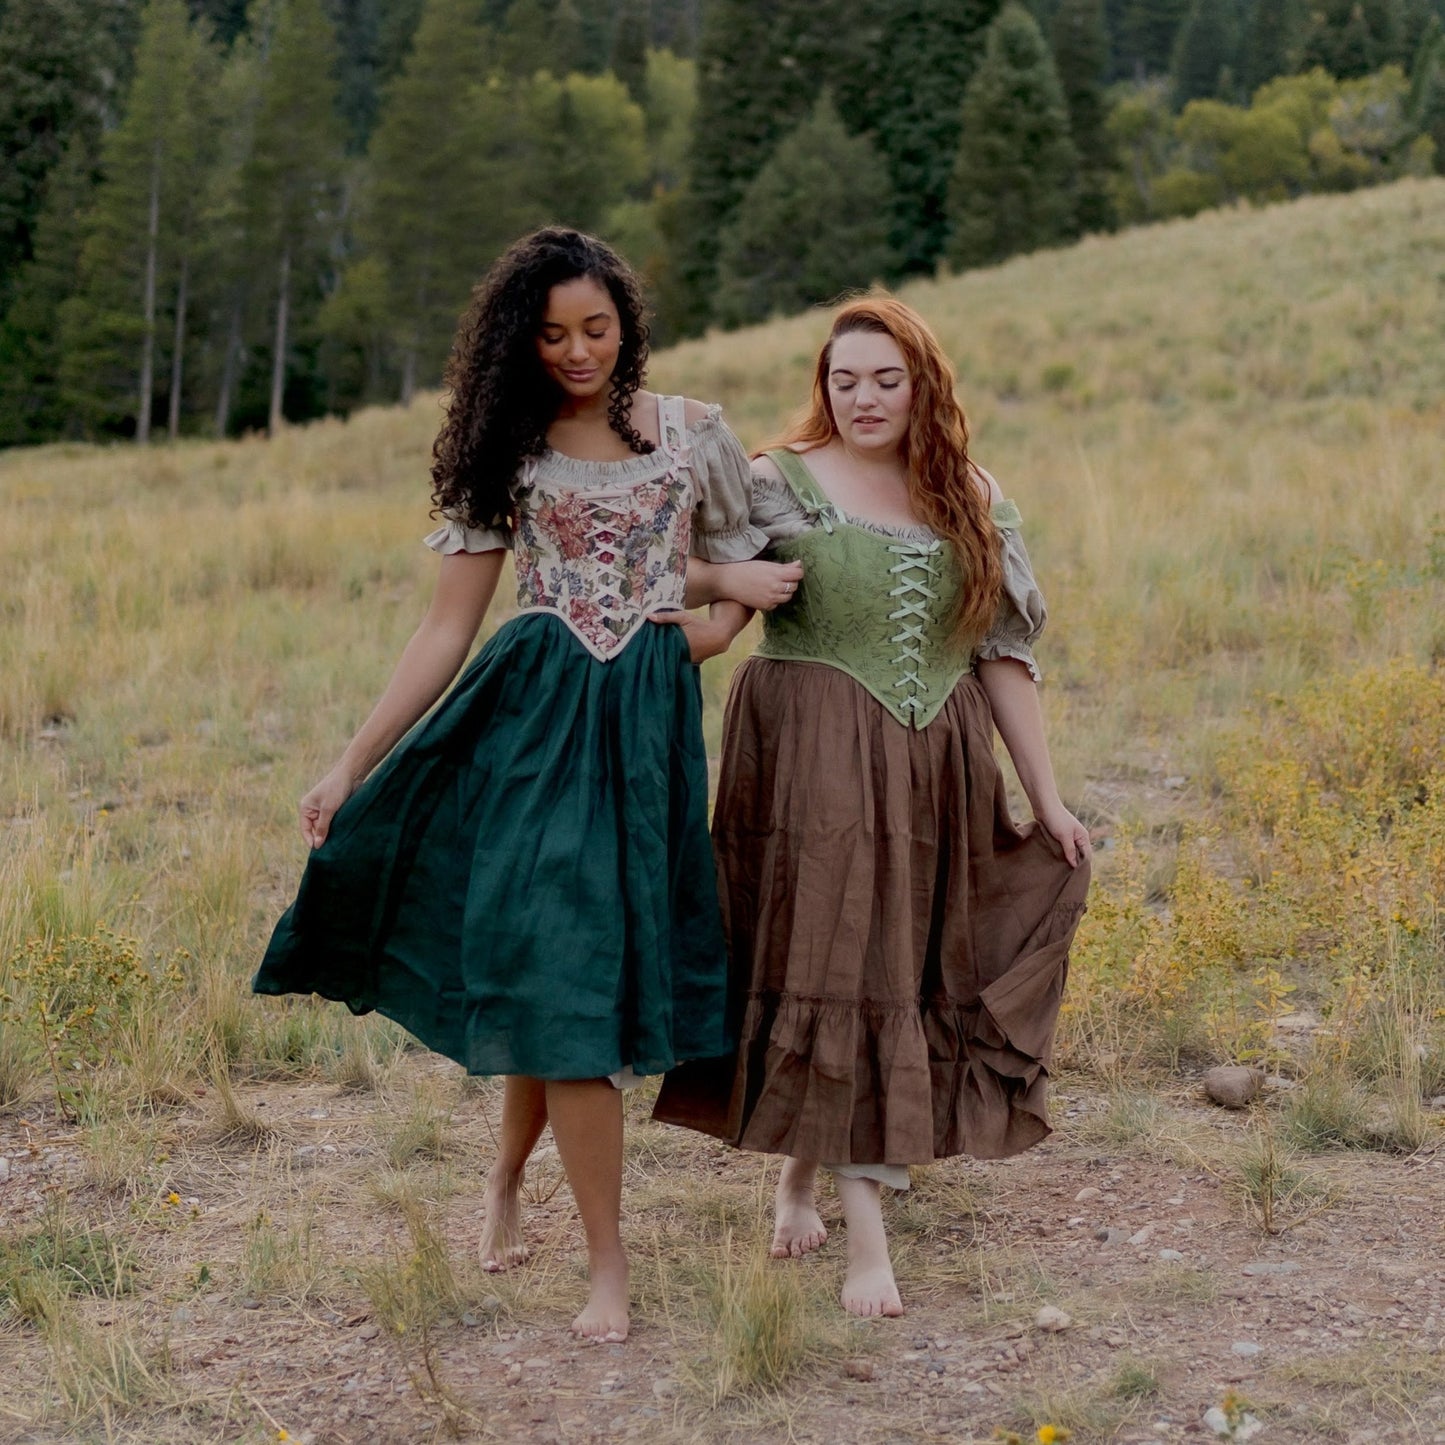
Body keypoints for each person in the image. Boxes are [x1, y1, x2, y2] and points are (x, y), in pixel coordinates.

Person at [253, 227, 799, 1343]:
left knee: (567, 988)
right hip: (529, 729)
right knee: (562, 985)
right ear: (520, 340)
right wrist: (348, 760)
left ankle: (505, 1179)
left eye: (595, 327)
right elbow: (445, 627)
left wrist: (703, 627)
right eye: (550, 334)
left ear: (626, 321)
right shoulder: (507, 452)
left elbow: (736, 571)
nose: (577, 350)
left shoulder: (689, 433)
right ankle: (608, 1264)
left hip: (643, 738)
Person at [655, 296, 1091, 1319]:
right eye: (844, 379)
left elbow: (1002, 657)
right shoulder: (774, 480)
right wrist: (728, 576)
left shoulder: (973, 496)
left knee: (890, 959)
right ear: (823, 382)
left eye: (884, 379)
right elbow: (682, 589)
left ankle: (801, 1173)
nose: (862, 398)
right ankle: (865, 1238)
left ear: (921, 384)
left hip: (935, 758)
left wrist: (1046, 797)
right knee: (835, 958)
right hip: (810, 752)